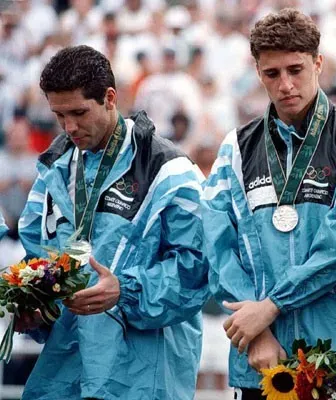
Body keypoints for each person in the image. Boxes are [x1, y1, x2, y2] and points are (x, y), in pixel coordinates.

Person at [200, 8, 336, 400]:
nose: (286, 84)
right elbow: (217, 246)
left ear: (318, 63)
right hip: (261, 357)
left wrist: (270, 306)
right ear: (258, 73)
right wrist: (254, 328)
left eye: (296, 69)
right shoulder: (236, 149)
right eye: (272, 74)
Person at [16, 45, 210, 400]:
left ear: (109, 98)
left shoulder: (168, 170)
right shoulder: (53, 169)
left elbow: (198, 269)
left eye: (78, 112)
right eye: (59, 116)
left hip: (142, 374)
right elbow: (38, 260)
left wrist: (126, 290)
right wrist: (35, 308)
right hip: (65, 371)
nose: (69, 127)